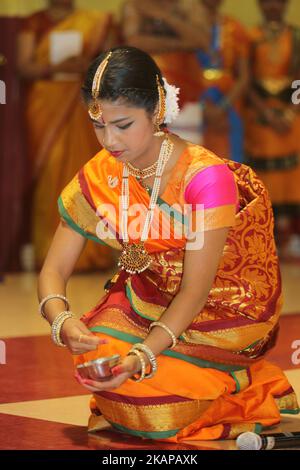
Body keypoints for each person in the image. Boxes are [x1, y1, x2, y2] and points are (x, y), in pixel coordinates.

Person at [38, 46, 299, 442]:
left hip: (221, 310)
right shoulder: (102, 173)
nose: (110, 140)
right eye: (98, 125)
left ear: (157, 108)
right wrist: (62, 321)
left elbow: (195, 291)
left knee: (156, 414)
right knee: (99, 352)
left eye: (123, 124)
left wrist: (142, 355)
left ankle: (245, 382)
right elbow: (54, 270)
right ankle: (185, 379)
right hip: (149, 301)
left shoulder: (205, 178)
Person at [17, 0, 114, 271]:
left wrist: (85, 66)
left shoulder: (97, 20)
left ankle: (93, 254)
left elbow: (108, 65)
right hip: (47, 103)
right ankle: (49, 253)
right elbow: (24, 67)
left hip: (84, 103)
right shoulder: (34, 23)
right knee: (50, 176)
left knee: (88, 173)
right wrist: (58, 66)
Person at [245, 0, 300, 260]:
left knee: (292, 175)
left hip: (291, 117)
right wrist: (265, 112)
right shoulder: (250, 37)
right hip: (259, 117)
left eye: (278, 1)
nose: (272, 6)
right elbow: (245, 79)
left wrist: (291, 111)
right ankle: (267, 239)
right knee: (264, 174)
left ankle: (291, 238)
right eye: (267, 1)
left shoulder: (296, 37)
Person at [120, 0, 210, 143]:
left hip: (187, 89)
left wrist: (164, 16)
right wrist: (182, 44)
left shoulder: (191, 4)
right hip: (147, 91)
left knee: (188, 152)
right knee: (149, 149)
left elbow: (202, 40)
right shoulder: (136, 4)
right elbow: (134, 41)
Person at [193, 0, 249, 162]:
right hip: (194, 105)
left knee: (229, 164)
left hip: (229, 106)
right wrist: (201, 108)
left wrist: (221, 108)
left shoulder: (235, 28)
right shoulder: (186, 27)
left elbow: (244, 77)